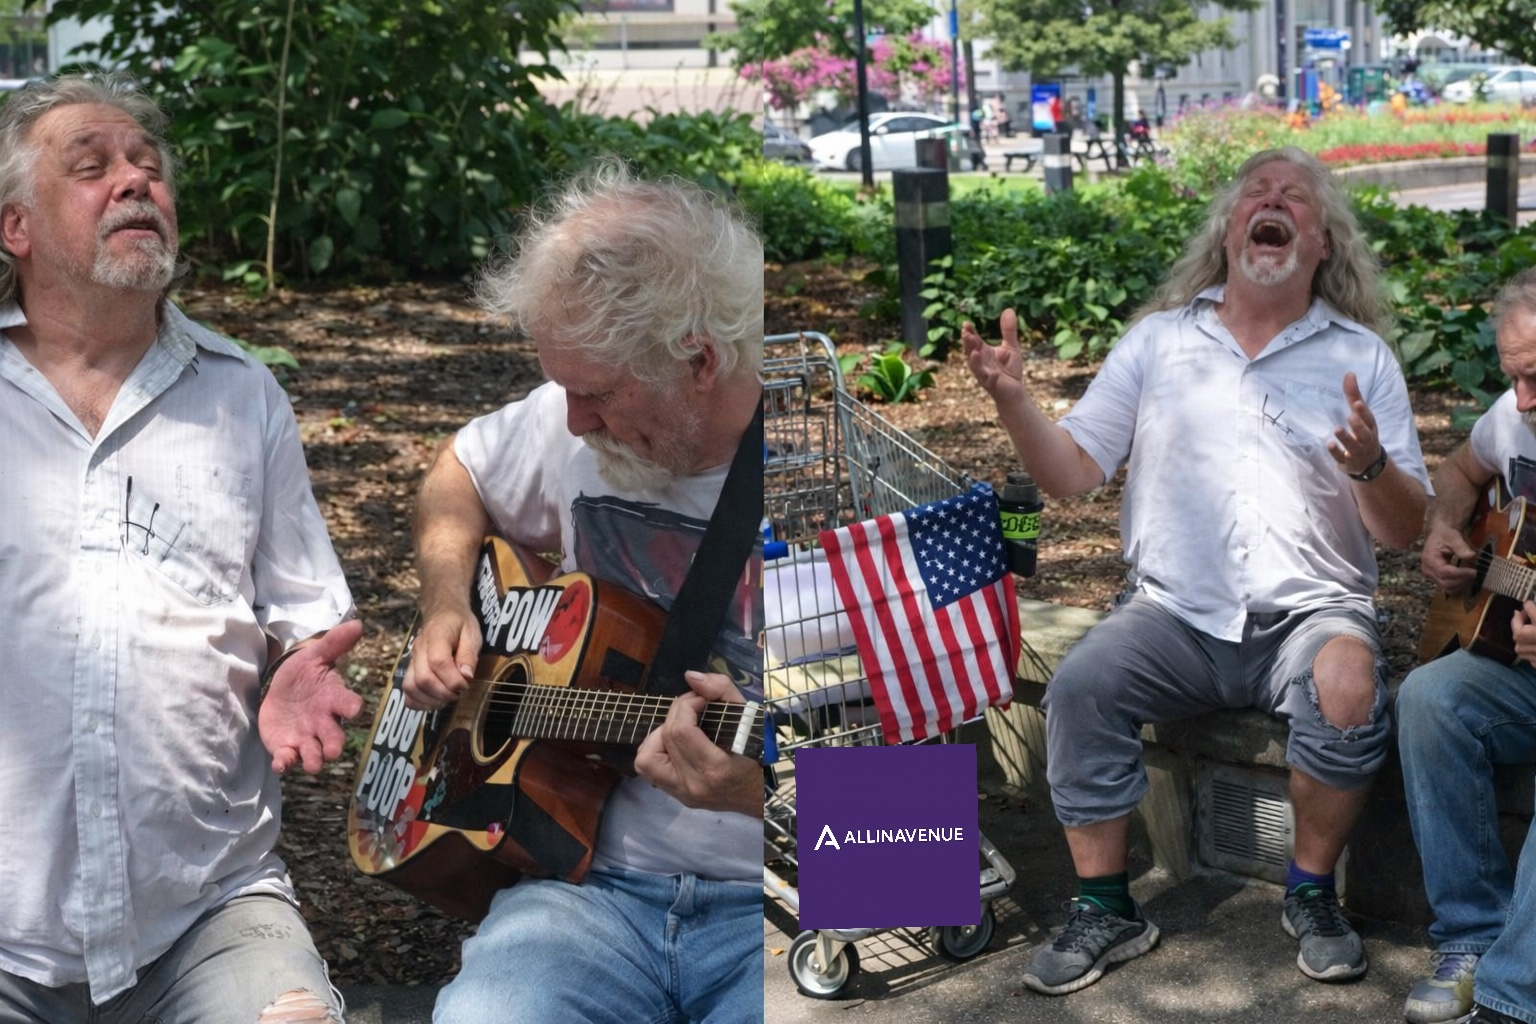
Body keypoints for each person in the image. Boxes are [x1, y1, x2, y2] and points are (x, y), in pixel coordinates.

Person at [961, 146, 1429, 995]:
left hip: (1312, 613)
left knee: (1350, 682)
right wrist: (1013, 403)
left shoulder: (1361, 358)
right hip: (1173, 615)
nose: (1273, 200)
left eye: (1297, 198)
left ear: (1324, 244)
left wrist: (1368, 467)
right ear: (1228, 231)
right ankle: (1108, 908)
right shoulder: (1159, 344)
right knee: (1081, 687)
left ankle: (1312, 894)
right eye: (1257, 191)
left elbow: (1403, 533)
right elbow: (1072, 474)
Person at [0, 73, 362, 1020]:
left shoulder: (241, 396)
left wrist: (294, 666)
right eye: (93, 168)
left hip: (203, 909)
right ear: (16, 229)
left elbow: (304, 616)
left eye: (147, 167)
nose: (134, 182)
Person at [402, 162, 764, 1023]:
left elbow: (924, 835)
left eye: (594, 393)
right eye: (562, 386)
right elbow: (457, 472)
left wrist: (761, 794)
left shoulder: (849, 495)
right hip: (584, 889)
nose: (569, 421)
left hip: (787, 901)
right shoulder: (568, 424)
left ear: (702, 360)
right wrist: (447, 600)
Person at [1397, 268, 1536, 1024]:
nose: (1523, 401)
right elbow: (1459, 469)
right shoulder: (1517, 416)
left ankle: (1514, 997)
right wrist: (1449, 527)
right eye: (1513, 378)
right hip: (1519, 673)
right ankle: (1470, 940)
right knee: (1429, 697)